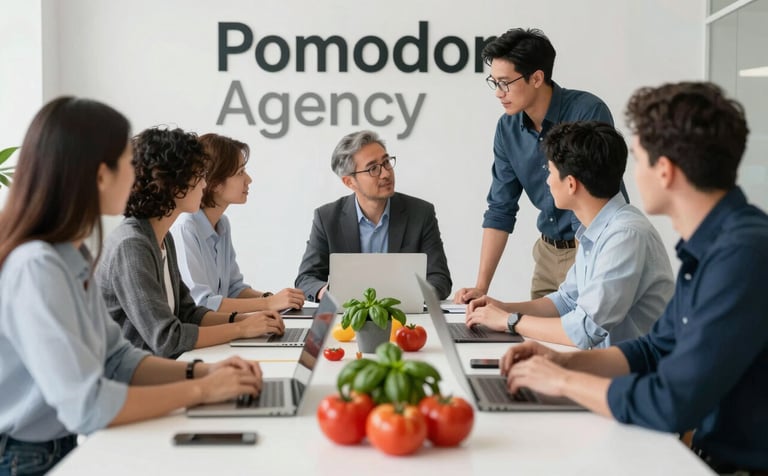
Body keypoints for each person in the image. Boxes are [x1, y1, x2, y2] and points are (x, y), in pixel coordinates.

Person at [500, 82, 768, 473]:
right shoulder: (714, 247)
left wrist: (563, 382)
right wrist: (561, 362)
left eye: (639, 159)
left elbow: (673, 400)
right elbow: (655, 349)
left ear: (665, 171)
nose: (630, 174)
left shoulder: (742, 255)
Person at [0, 97, 263, 475]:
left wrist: (205, 373)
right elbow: (88, 405)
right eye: (128, 161)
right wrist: (202, 391)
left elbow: (117, 358)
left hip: (54, 447)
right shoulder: (38, 267)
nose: (138, 172)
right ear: (100, 175)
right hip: (25, 458)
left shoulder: (72, 255)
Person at [466, 121, 673, 349]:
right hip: (605, 369)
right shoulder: (596, 230)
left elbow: (584, 330)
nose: (547, 180)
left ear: (571, 184)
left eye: (551, 172)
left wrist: (510, 321)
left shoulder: (625, 235)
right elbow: (565, 301)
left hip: (631, 379)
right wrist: (503, 309)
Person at [454, 27, 625, 303]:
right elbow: (501, 207)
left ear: (536, 78)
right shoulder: (507, 128)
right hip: (547, 253)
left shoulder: (586, 112)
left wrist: (584, 271)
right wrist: (481, 286)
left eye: (505, 82)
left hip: (593, 247)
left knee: (584, 339)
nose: (499, 93)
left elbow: (590, 198)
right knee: (539, 341)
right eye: (494, 82)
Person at [96, 127, 285, 359]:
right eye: (199, 175)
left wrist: (246, 320)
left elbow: (189, 313)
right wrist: (241, 329)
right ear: (173, 183)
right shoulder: (131, 246)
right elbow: (168, 339)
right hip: (135, 382)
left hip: (163, 367)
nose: (205, 184)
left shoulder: (163, 238)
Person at [295, 130, 452, 301]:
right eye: (373, 169)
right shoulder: (327, 218)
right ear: (349, 182)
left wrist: (407, 296)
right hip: (348, 318)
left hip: (404, 318)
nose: (385, 173)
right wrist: (326, 292)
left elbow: (440, 279)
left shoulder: (421, 213)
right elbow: (306, 279)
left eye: (386, 163)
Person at [171, 133, 305, 313]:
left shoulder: (222, 224)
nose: (248, 180)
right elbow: (202, 303)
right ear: (215, 182)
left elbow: (234, 289)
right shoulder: (185, 228)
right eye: (240, 172)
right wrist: (269, 304)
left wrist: (273, 298)